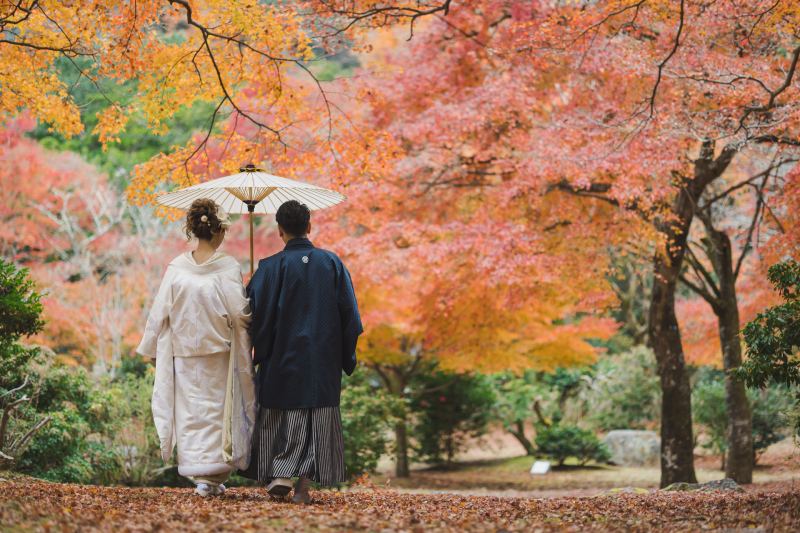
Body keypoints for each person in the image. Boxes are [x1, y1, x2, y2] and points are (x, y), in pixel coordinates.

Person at [236, 199, 362, 504]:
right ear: (308, 226)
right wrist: (346, 358)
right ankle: (303, 489)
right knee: (314, 417)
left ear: (279, 230)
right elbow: (350, 317)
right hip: (322, 360)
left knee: (281, 413)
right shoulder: (331, 263)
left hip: (280, 359)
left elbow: (249, 319)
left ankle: (280, 472)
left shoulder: (267, 268)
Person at [136, 198, 257, 497]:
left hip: (185, 356)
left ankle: (206, 480)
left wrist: (152, 347)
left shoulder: (176, 268)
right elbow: (241, 316)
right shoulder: (228, 266)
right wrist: (253, 299)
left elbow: (158, 313)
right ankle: (211, 478)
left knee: (191, 416)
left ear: (192, 229)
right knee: (218, 415)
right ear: (219, 232)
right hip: (218, 354)